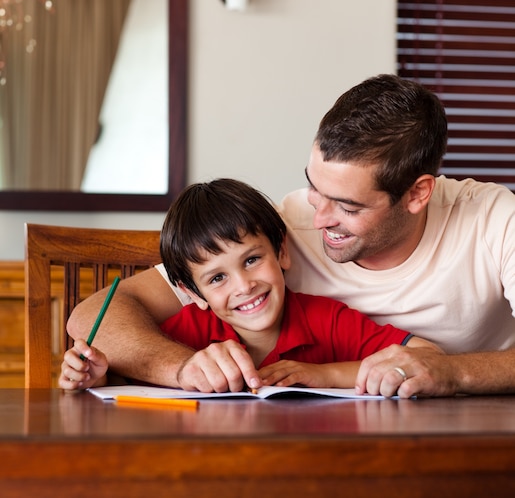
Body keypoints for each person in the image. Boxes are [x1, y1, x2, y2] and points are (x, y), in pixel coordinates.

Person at [65, 74, 515, 398]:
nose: (319, 220)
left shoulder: (495, 219)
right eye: (316, 188)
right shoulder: (278, 229)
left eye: (349, 206)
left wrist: (453, 373)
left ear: (418, 194)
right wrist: (181, 367)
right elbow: (93, 318)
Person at [60, 179, 440, 395]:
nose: (244, 285)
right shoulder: (185, 336)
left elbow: (428, 356)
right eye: (217, 278)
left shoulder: (328, 319)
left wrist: (327, 374)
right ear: (192, 293)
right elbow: (126, 381)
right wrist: (96, 376)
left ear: (282, 253)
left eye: (252, 259)